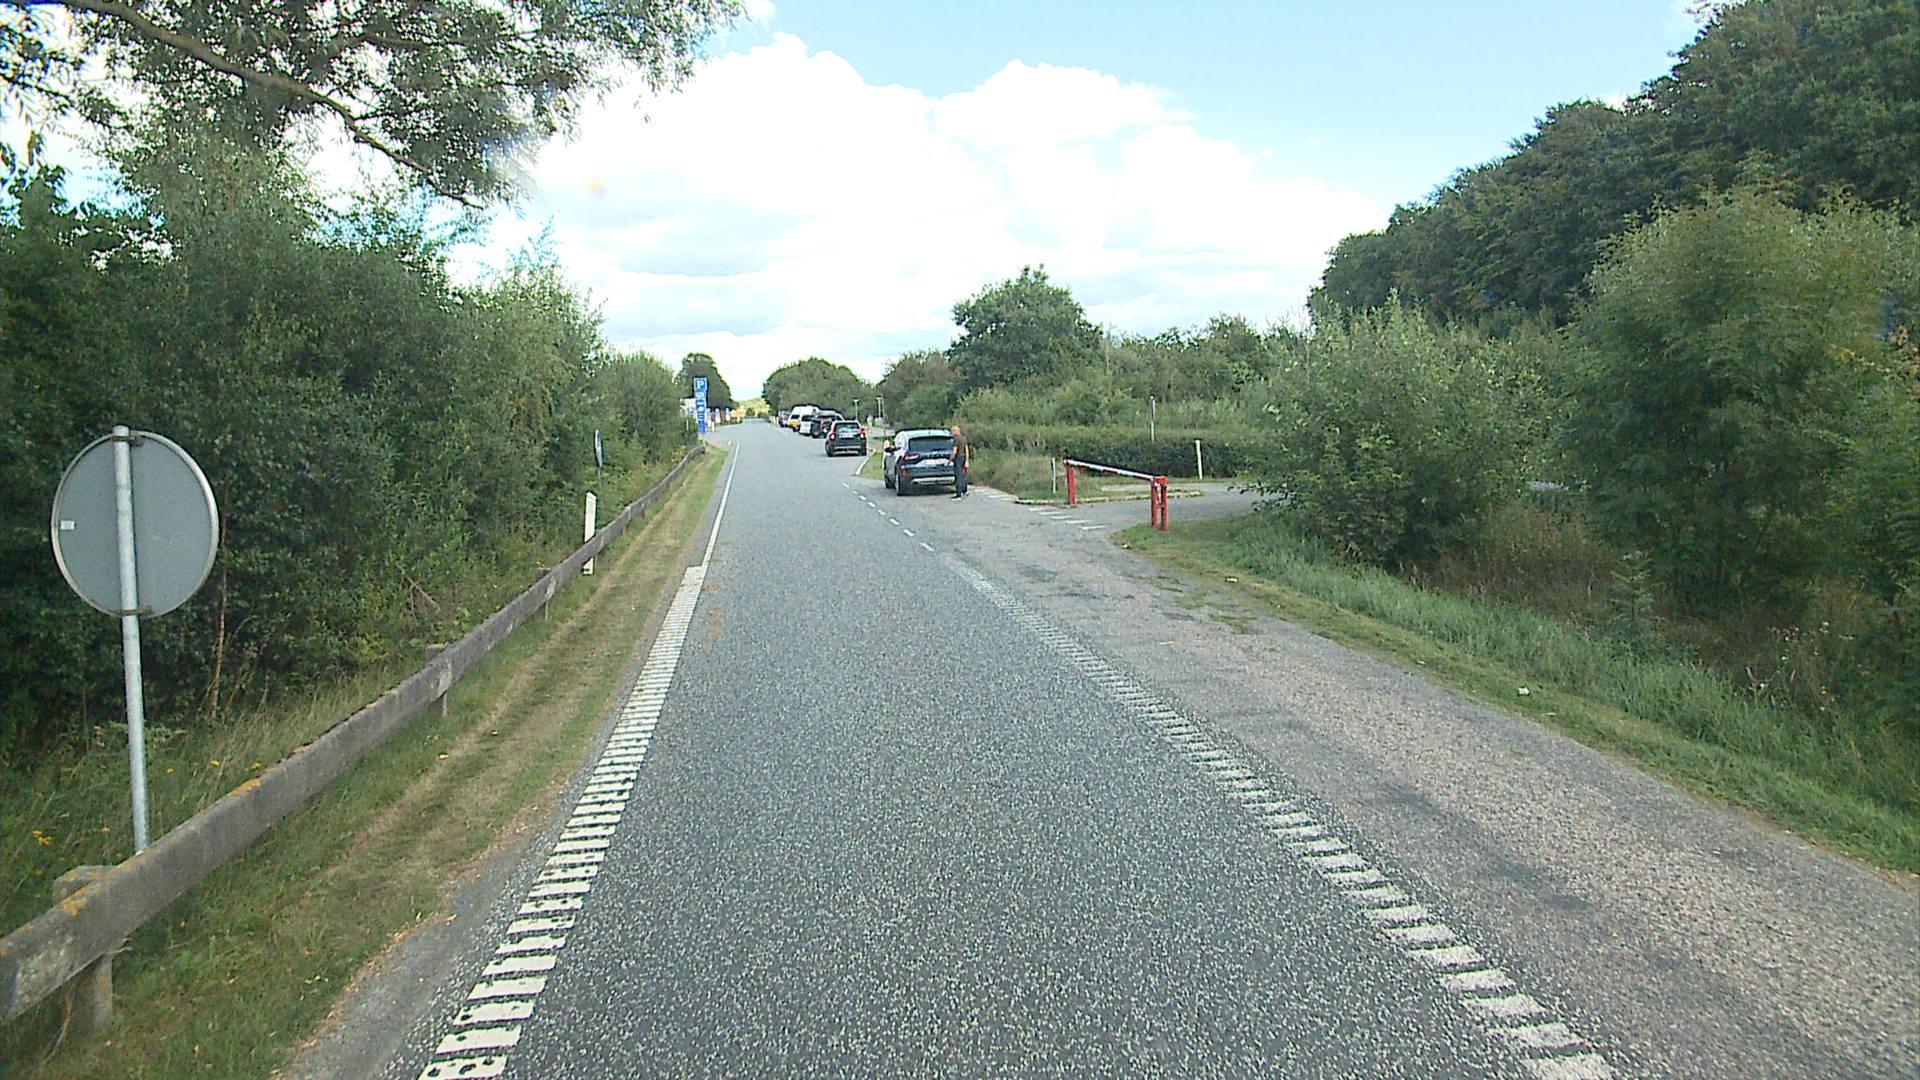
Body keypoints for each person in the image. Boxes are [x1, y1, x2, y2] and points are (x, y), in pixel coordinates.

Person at [950, 424, 970, 498]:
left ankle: (958, 493)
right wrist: (967, 460)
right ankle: (965, 490)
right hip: (964, 457)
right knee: (964, 475)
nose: (952, 433)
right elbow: (967, 450)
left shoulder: (955, 439)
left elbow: (954, 451)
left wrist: (950, 459)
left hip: (958, 458)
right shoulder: (964, 438)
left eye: (952, 431)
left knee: (958, 475)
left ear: (956, 431)